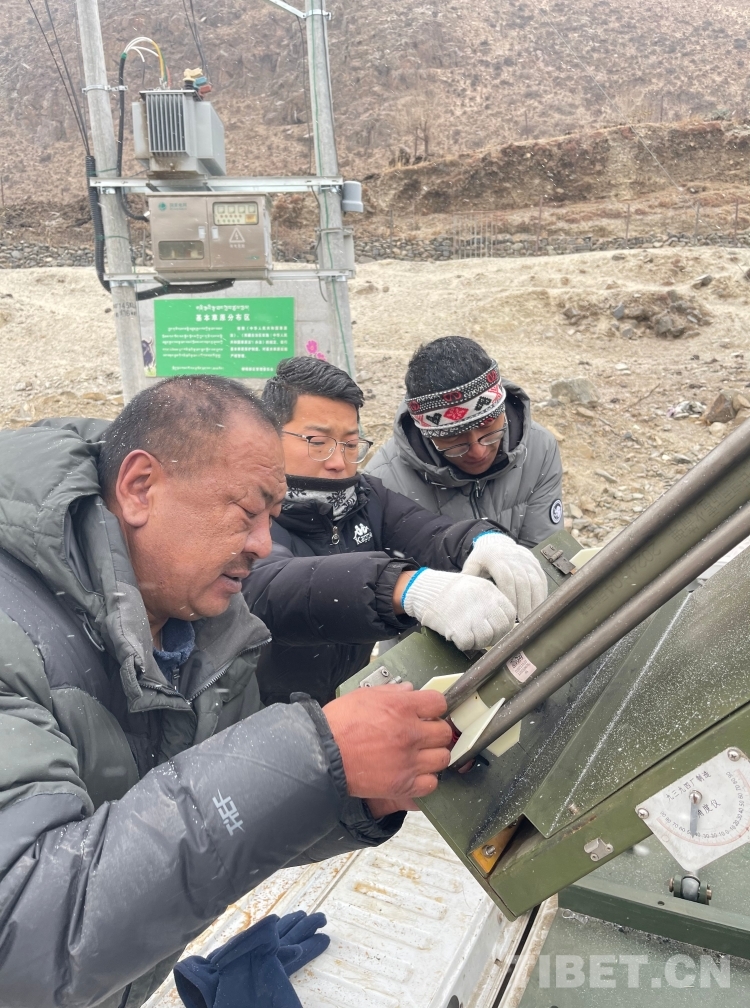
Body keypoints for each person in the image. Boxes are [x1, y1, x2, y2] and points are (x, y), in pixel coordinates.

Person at [0, 376, 454, 1008]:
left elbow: (217, 827)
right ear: (140, 488)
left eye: (272, 517)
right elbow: (24, 931)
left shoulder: (206, 636)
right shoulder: (12, 637)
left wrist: (347, 790)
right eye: (247, 512)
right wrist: (311, 755)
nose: (263, 545)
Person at [243, 357, 547, 707]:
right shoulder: (247, 508)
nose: (338, 462)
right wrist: (406, 587)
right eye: (318, 442)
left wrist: (485, 541)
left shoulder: (364, 497)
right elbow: (268, 587)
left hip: (344, 703)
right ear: (269, 435)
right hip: (255, 714)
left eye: (350, 444)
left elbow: (429, 533)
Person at [366, 336, 564, 547]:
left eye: (488, 426)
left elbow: (545, 550)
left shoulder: (538, 449)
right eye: (452, 437)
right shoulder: (383, 485)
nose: (478, 452)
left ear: (502, 410)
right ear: (426, 433)